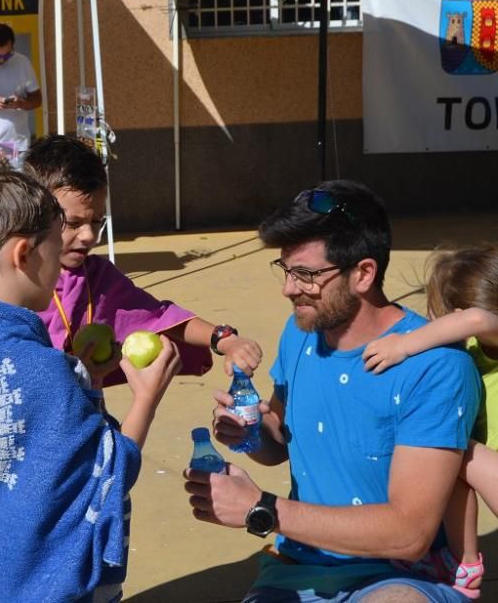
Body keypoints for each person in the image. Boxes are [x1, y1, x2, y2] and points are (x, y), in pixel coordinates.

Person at [0, 135, 264, 470]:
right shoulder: (9, 297)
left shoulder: (96, 277)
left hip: (76, 440)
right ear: (35, 217)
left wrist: (223, 338)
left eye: (97, 222)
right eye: (71, 223)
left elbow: (157, 317)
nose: (88, 236)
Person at [184, 180, 482, 603]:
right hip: (296, 568)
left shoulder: (436, 366)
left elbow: (409, 534)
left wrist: (261, 508)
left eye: (306, 274)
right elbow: (277, 443)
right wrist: (248, 429)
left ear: (363, 273)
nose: (289, 288)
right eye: (286, 270)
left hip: (404, 577)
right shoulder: (301, 331)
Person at [0, 164, 180, 601]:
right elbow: (111, 470)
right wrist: (146, 397)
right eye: (57, 240)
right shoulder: (42, 370)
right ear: (25, 254)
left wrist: (82, 380)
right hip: (46, 579)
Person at [361, 244, 498, 599]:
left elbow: (478, 319)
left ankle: (462, 560)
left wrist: (404, 345)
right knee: (452, 456)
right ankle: (461, 562)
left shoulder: (487, 325)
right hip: (487, 461)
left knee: (449, 446)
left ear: (457, 312)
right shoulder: (479, 349)